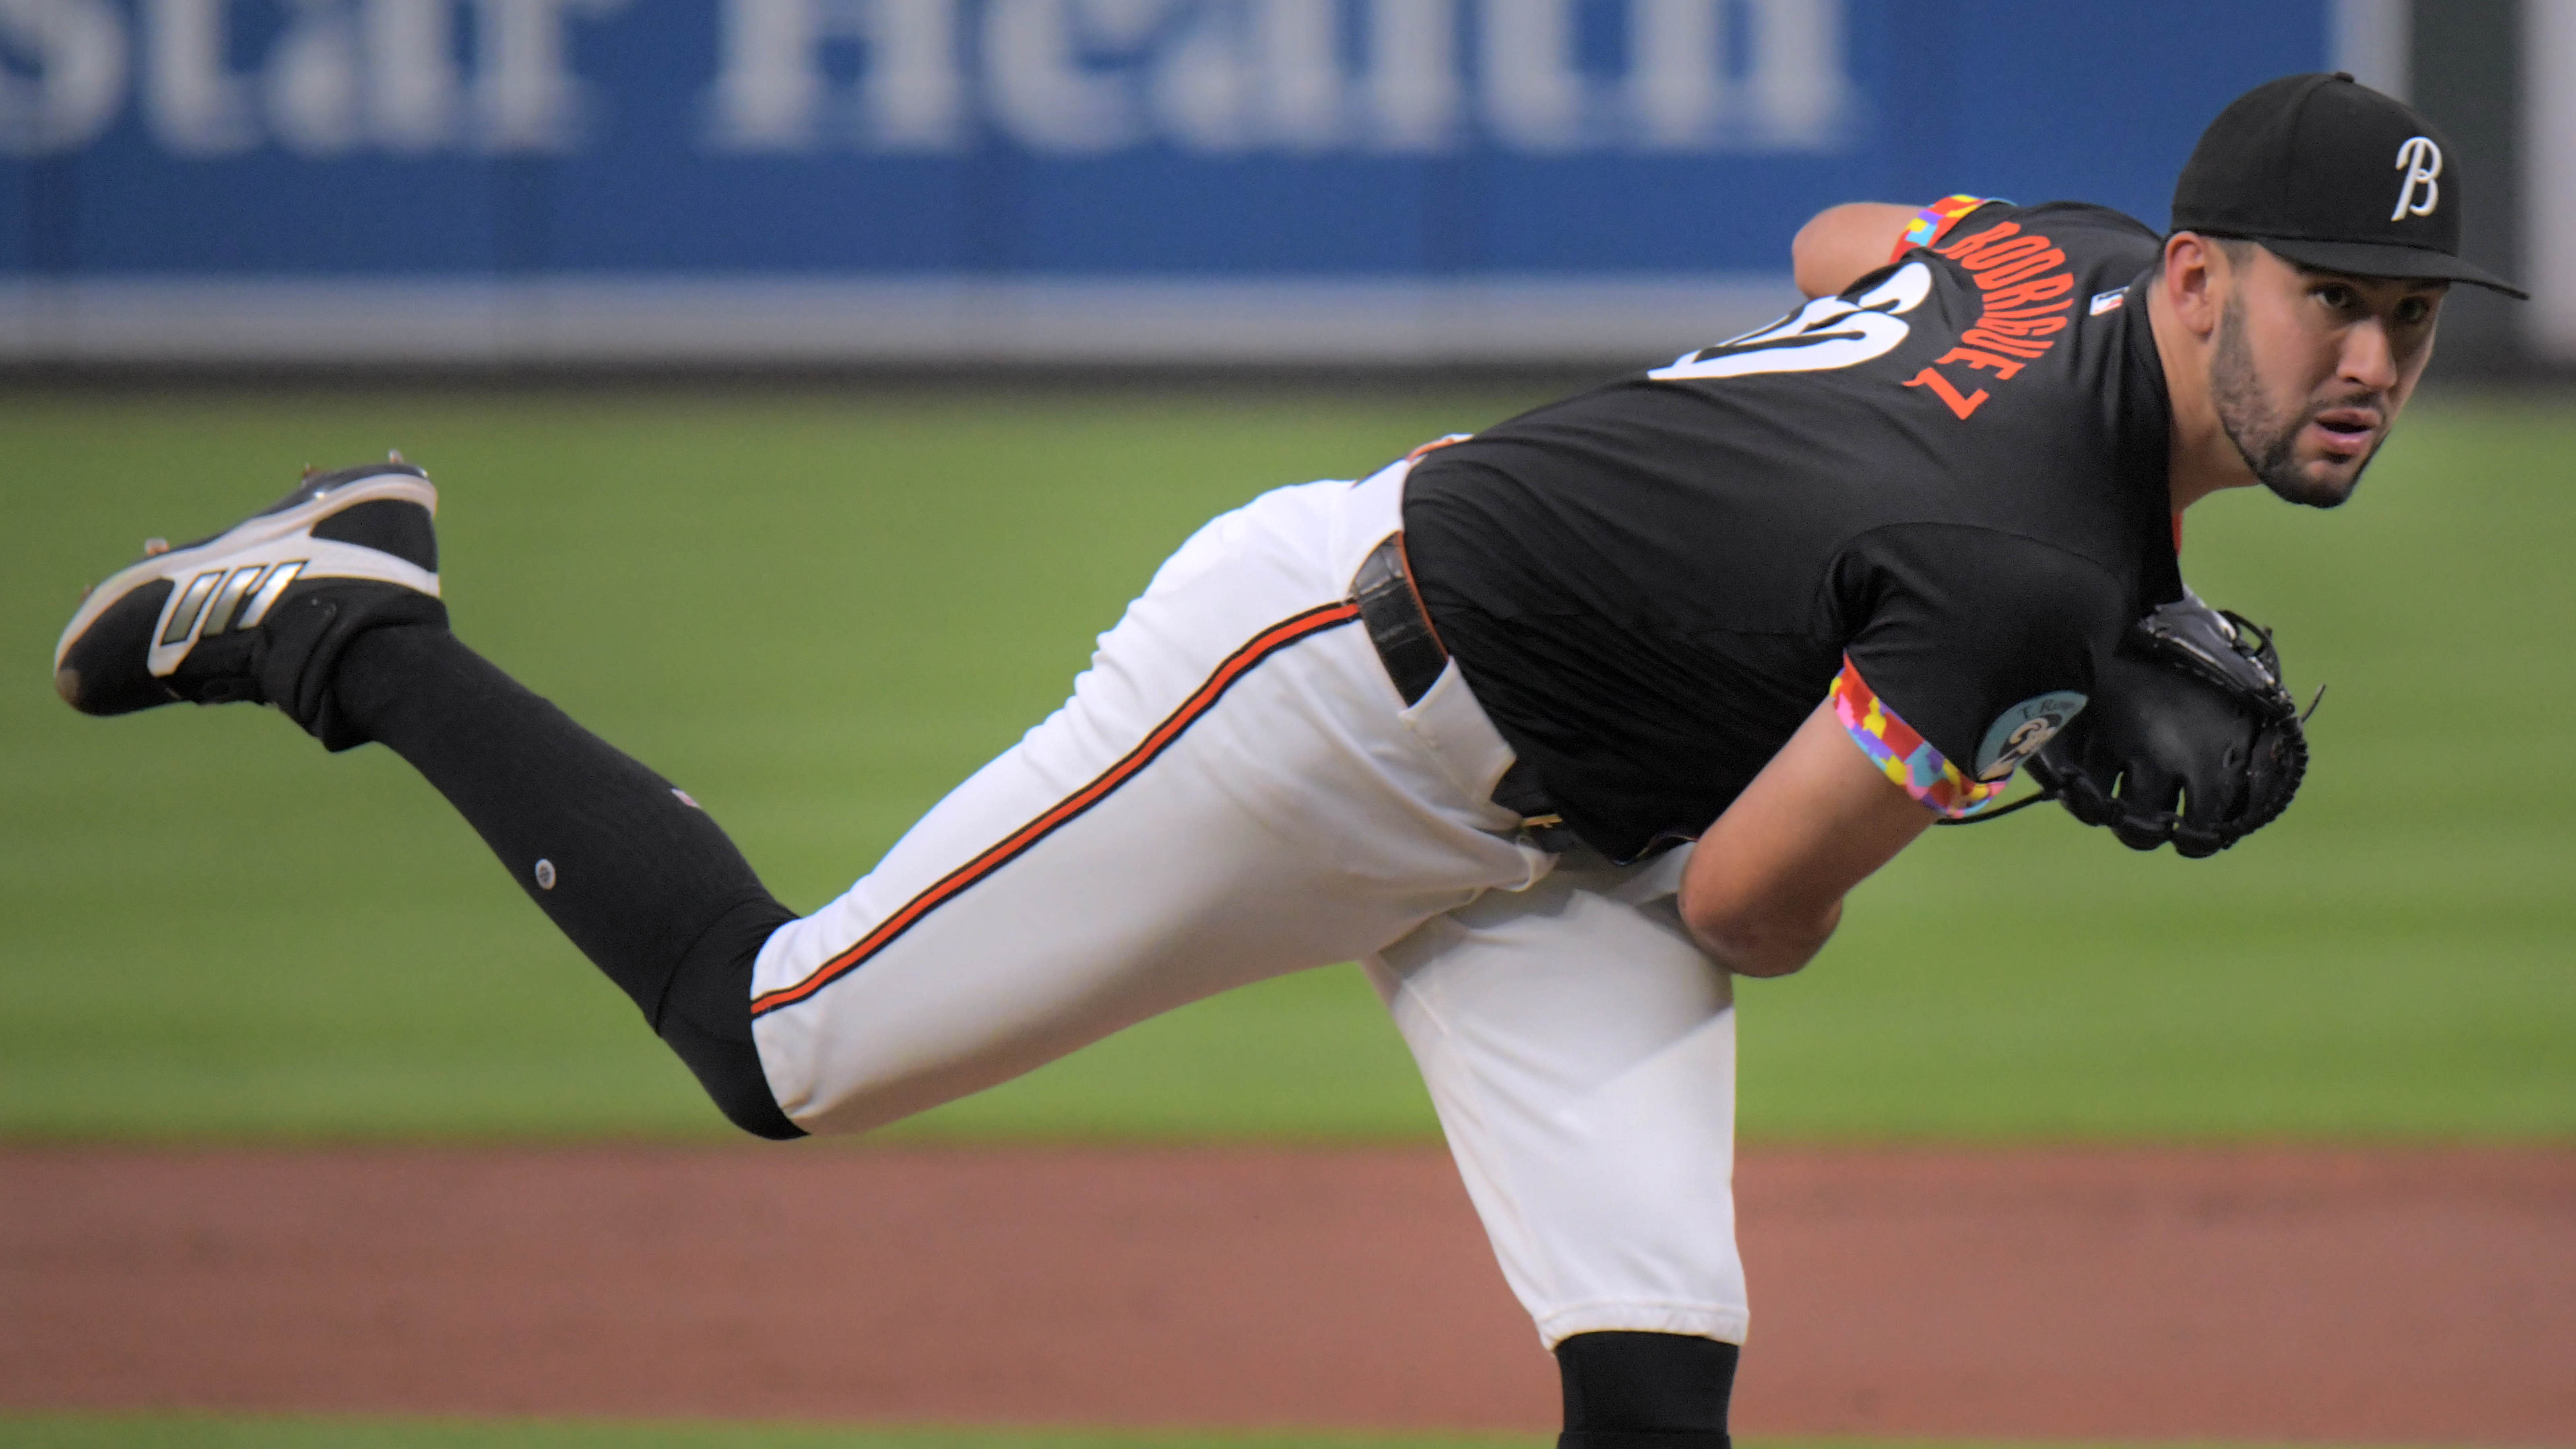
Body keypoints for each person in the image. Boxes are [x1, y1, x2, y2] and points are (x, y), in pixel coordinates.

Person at [51, 73, 2523, 1448]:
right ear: (2203, 280)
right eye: (2340, 307)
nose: (2375, 369)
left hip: (1574, 833)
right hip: (1334, 696)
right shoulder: (2018, 585)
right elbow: (1764, 908)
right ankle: (347, 622)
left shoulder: (2064, 249)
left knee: (1656, 1382)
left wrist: (1860, 473)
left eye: (2415, 326)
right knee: (780, 1045)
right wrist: (2002, 727)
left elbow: (1843, 231)